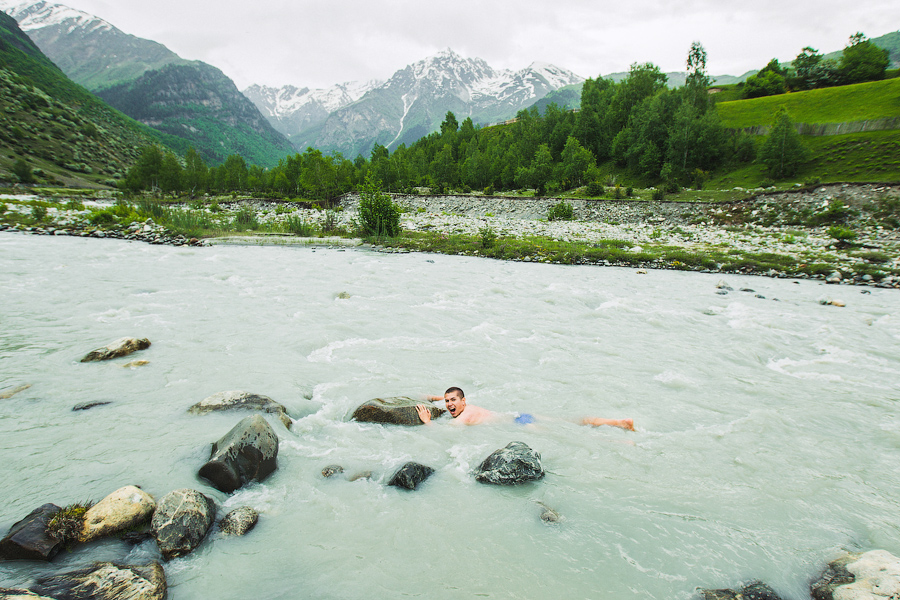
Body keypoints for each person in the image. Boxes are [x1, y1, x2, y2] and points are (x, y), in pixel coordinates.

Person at [416, 386, 634, 430]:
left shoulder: (464, 417)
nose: (449, 404)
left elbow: (446, 433)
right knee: (571, 422)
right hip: (521, 416)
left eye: (453, 400)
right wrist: (434, 398)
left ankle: (618, 441)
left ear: (463, 401)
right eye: (447, 401)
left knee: (569, 433)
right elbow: (449, 398)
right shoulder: (468, 406)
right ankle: (618, 423)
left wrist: (427, 422)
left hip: (521, 424)